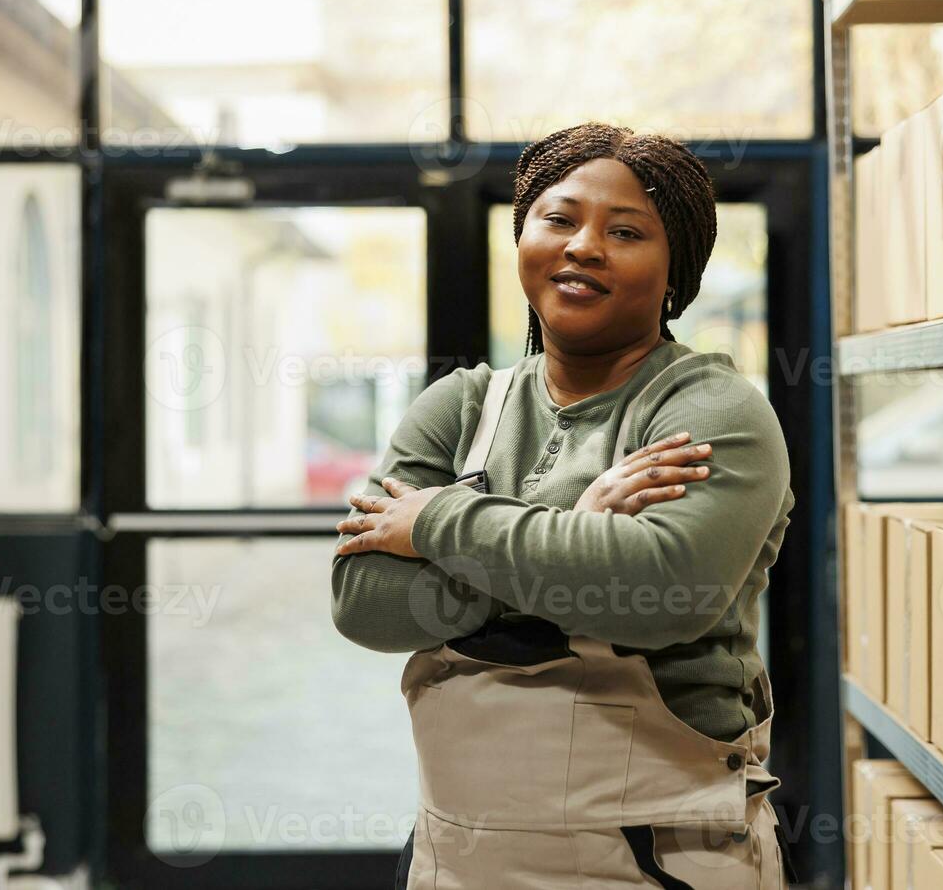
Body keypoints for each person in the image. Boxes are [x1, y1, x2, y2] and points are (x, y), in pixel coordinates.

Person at [331, 122, 796, 888]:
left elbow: (658, 591)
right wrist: (577, 532)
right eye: (559, 219)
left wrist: (439, 525)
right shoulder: (459, 408)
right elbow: (366, 603)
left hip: (658, 856)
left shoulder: (713, 412)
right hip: (463, 855)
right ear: (522, 237)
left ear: (677, 267)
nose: (583, 245)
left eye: (625, 231)